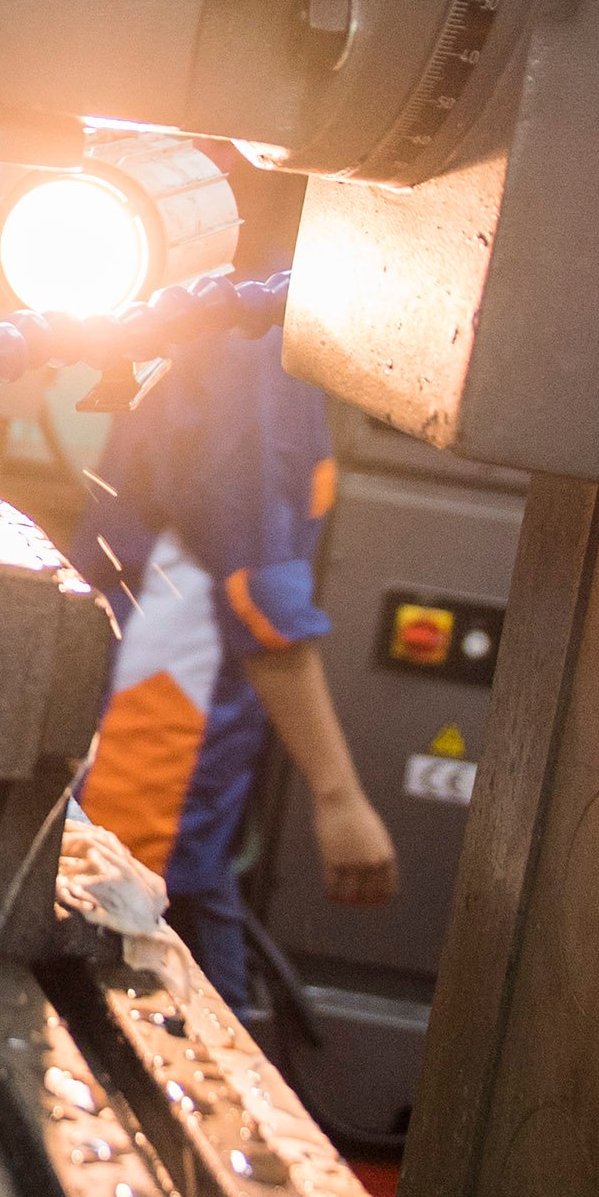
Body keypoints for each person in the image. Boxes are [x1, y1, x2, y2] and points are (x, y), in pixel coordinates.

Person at [67, 190, 395, 1013]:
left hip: (199, 744)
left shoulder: (276, 334)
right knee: (122, 944)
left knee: (183, 926)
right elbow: (262, 598)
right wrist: (339, 795)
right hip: (158, 710)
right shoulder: (253, 347)